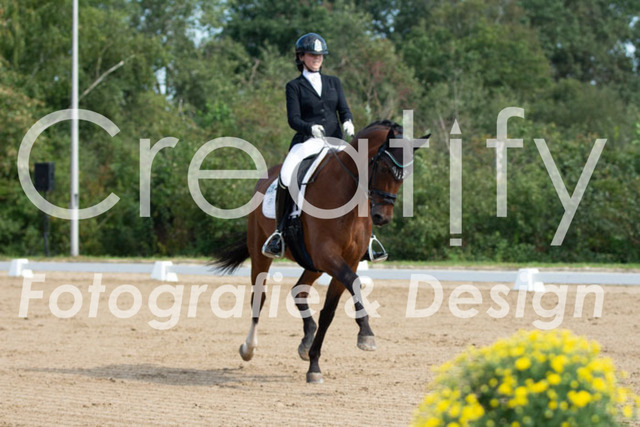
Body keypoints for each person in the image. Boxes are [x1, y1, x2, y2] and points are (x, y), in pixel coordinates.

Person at [261, 33, 387, 262]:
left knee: (363, 175)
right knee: (286, 175)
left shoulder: (333, 82)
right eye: (312, 55)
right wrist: (309, 128)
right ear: (301, 57)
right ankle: (279, 233)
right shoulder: (294, 86)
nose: (317, 58)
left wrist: (348, 121)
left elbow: (343, 109)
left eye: (320, 55)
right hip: (307, 142)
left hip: (335, 141)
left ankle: (368, 238)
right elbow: (293, 119)